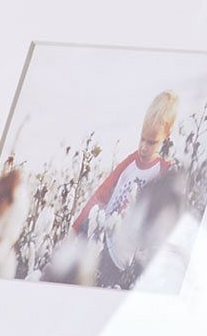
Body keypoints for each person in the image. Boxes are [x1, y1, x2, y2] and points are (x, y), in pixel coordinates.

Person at [69, 91, 179, 287]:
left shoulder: (164, 171)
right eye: (142, 139)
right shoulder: (130, 162)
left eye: (152, 142)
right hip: (102, 239)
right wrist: (77, 226)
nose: (144, 147)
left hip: (122, 258)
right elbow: (103, 192)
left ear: (166, 138)